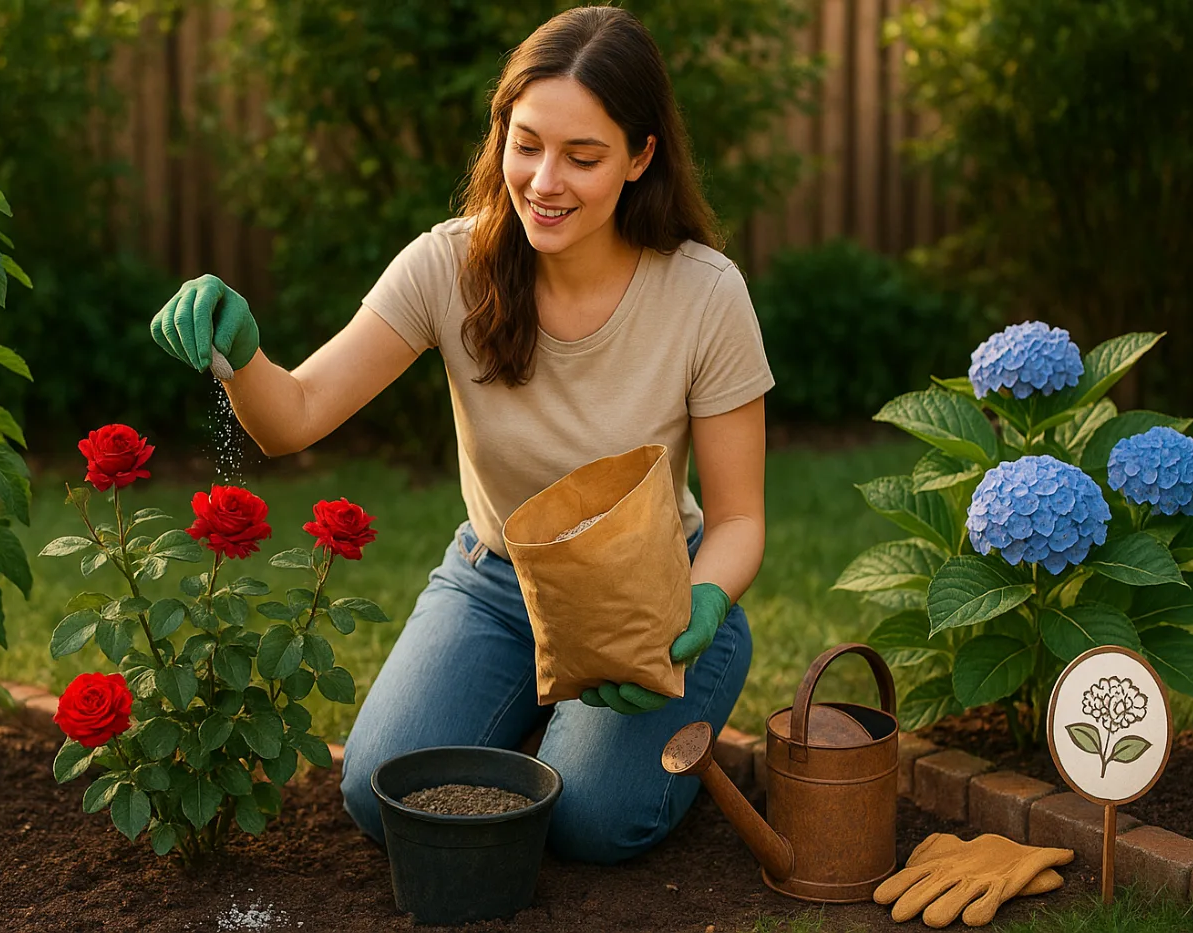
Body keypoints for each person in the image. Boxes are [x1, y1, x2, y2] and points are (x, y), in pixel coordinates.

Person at [149, 3, 773, 864]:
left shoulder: (705, 294)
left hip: (652, 593)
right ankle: (545, 723)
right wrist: (239, 355)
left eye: (583, 156)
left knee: (591, 823)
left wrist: (700, 607)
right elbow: (294, 415)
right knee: (384, 791)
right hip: (496, 582)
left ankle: (646, 714)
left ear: (640, 157)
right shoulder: (448, 264)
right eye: (527, 144)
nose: (544, 180)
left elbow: (739, 518)